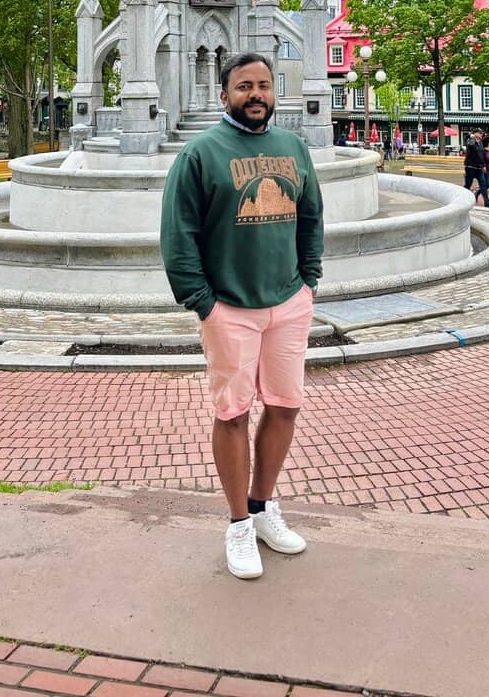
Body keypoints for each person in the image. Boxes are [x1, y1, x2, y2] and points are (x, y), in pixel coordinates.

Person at [160, 51, 323, 580]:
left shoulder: (293, 147)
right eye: (244, 86)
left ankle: (262, 507)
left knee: (285, 407)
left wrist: (308, 283)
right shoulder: (201, 153)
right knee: (231, 413)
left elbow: (311, 216)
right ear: (224, 93)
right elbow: (178, 235)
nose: (256, 95)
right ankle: (236, 525)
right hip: (228, 306)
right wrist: (202, 301)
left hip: (287, 304)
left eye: (264, 86)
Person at [463, 132, 489, 207]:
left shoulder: (481, 143)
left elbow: (482, 155)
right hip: (470, 168)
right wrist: (472, 136)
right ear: (475, 134)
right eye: (479, 133)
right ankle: (461, 198)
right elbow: (470, 143)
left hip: (479, 168)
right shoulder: (470, 140)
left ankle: (487, 202)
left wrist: (484, 165)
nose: (481, 134)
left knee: (483, 185)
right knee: (467, 185)